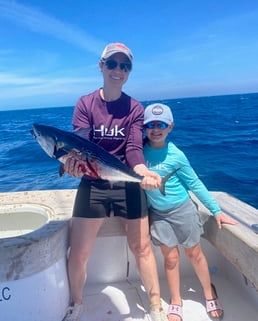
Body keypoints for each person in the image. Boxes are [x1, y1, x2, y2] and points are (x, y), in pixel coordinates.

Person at [62, 43, 167, 321]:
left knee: (142, 248)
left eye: (125, 66)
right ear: (101, 66)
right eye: (112, 64)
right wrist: (74, 165)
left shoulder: (134, 108)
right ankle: (76, 305)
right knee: (79, 252)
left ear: (129, 72)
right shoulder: (85, 104)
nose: (118, 70)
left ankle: (156, 308)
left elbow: (133, 148)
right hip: (93, 184)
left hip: (126, 184)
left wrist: (142, 171)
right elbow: (79, 145)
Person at [142, 103, 238, 321]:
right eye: (150, 125)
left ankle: (208, 293)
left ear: (170, 127)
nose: (155, 129)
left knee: (194, 254)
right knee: (170, 258)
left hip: (182, 210)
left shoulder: (176, 155)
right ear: (144, 127)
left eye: (161, 124)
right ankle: (176, 300)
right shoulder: (138, 151)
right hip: (158, 214)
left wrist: (216, 211)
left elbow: (194, 183)